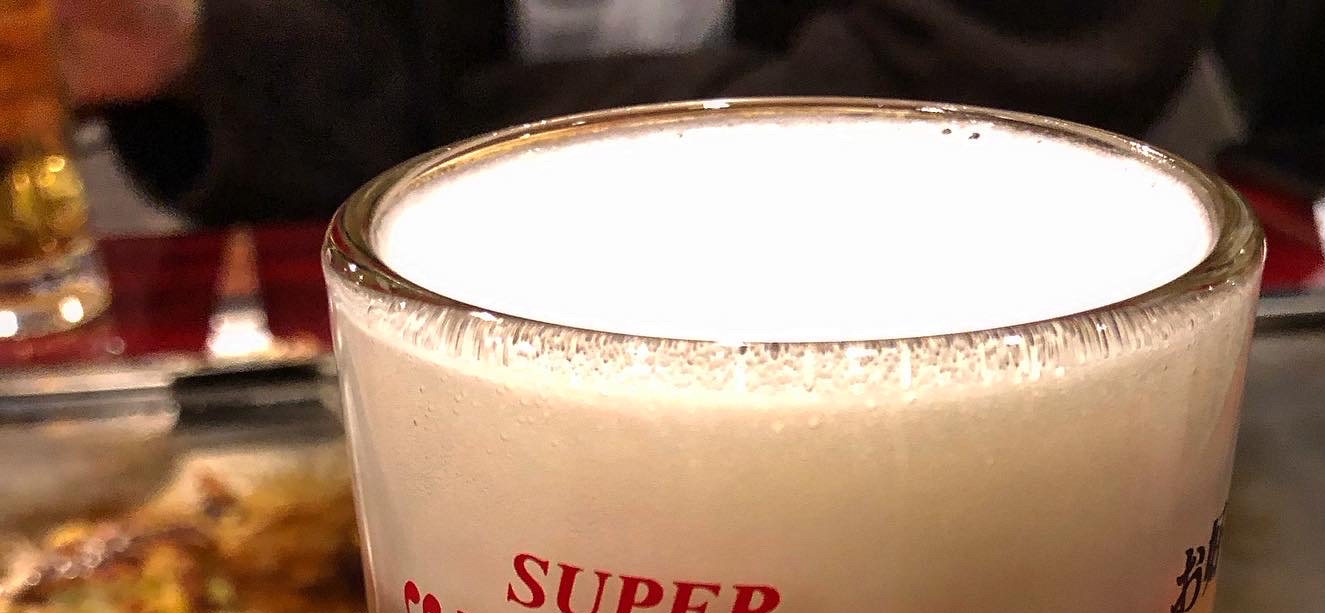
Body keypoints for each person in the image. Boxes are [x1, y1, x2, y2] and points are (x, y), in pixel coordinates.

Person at [57, 0, 1207, 224]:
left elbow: (986, 101)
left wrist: (457, 118)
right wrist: (186, 48)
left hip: (990, 371)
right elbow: (357, 86)